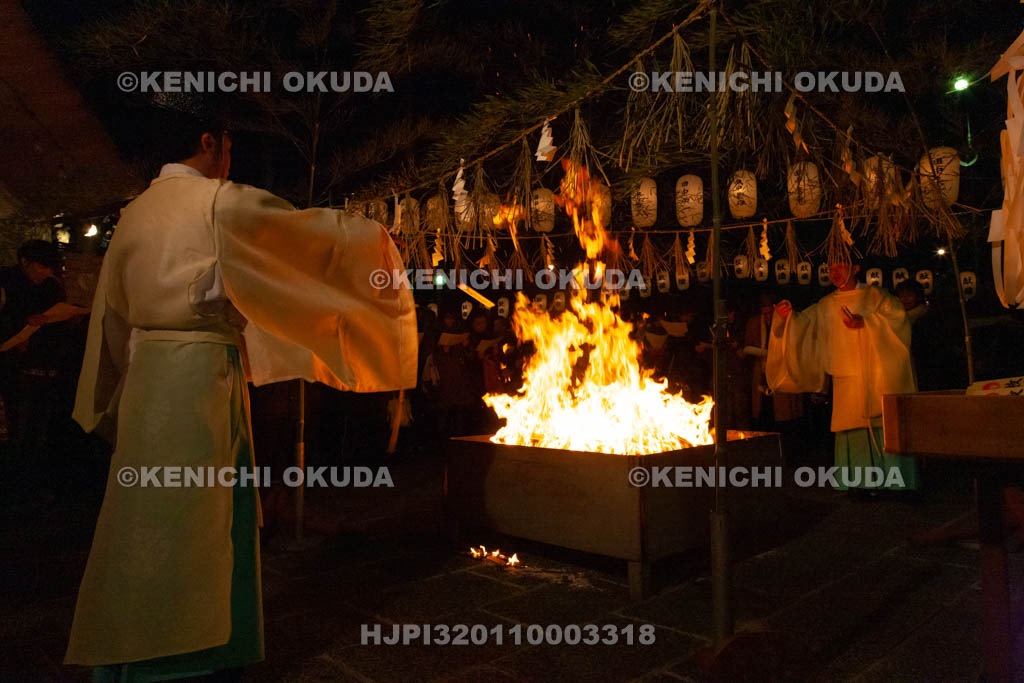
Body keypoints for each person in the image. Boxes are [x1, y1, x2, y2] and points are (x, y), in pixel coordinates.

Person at [66, 115, 417, 681]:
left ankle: (132, 648)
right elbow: (312, 240)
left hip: (148, 374)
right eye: (228, 145)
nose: (230, 157)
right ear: (210, 142)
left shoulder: (134, 213)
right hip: (199, 376)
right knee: (196, 515)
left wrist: (107, 394)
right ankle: (182, 652)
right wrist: (374, 237)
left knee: (144, 516)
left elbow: (111, 314)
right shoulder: (217, 202)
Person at [767, 260, 917, 492]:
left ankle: (896, 483)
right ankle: (859, 483)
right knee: (851, 429)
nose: (834, 273)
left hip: (879, 375)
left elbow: (898, 321)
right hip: (846, 377)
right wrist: (785, 317)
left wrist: (867, 323)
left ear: (855, 268)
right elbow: (803, 324)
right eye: (829, 269)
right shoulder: (827, 304)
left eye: (840, 267)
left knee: (885, 425)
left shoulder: (876, 296)